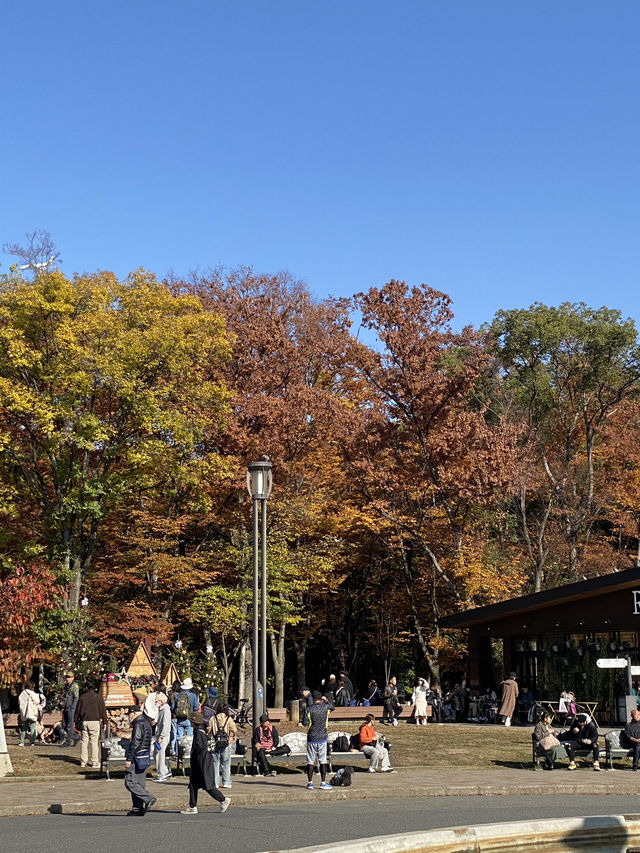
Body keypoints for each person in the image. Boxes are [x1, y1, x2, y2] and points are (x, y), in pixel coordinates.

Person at [180, 711, 230, 814]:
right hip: (203, 761)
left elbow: (199, 747)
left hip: (201, 762)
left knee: (208, 785)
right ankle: (192, 806)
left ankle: (223, 799)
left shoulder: (199, 733)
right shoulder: (202, 730)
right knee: (194, 784)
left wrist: (193, 752)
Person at [124, 706, 156, 816]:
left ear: (133, 713)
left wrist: (129, 758)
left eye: (129, 714)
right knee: (139, 784)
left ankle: (149, 798)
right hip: (144, 756)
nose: (128, 717)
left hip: (136, 756)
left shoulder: (138, 724)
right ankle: (137, 808)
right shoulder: (146, 723)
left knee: (130, 782)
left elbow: (136, 742)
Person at [304, 690, 334, 790]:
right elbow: (332, 707)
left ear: (312, 698)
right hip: (322, 737)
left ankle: (310, 783)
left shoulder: (309, 709)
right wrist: (326, 700)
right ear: (321, 698)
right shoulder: (326, 707)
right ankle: (323, 782)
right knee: (322, 760)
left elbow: (305, 723)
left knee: (310, 760)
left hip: (311, 737)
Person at [74, 679, 107, 769]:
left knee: (84, 742)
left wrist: (76, 721)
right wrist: (105, 722)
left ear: (86, 687)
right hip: (95, 722)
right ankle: (95, 762)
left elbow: (77, 711)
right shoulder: (99, 697)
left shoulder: (82, 697)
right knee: (94, 742)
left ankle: (83, 761)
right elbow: (103, 711)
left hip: (84, 722)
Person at [209, 701, 236, 789]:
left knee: (215, 763)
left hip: (215, 742)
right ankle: (226, 782)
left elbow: (209, 729)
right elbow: (234, 729)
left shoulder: (213, 718)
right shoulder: (228, 719)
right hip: (226, 743)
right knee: (226, 763)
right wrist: (232, 735)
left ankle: (215, 783)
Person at [170, 677, 199, 755]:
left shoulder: (177, 695)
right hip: (189, 719)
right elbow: (196, 708)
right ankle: (188, 753)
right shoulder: (193, 695)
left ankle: (178, 753)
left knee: (179, 736)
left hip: (179, 719)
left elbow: (172, 707)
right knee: (189, 737)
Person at [153, 692, 172, 782]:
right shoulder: (161, 710)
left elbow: (166, 725)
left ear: (161, 701)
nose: (155, 702)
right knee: (156, 753)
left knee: (159, 754)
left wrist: (161, 736)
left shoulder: (166, 711)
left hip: (163, 735)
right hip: (160, 735)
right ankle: (164, 771)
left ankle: (161, 774)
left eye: (156, 701)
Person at [60, 670, 80, 746]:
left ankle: (68, 742)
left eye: (69, 677)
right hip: (65, 707)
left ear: (72, 678)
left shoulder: (75, 686)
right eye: (66, 677)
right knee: (64, 725)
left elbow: (76, 698)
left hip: (70, 708)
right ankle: (76, 737)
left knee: (69, 725)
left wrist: (72, 707)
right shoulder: (66, 686)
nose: (67, 679)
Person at [18, 680, 40, 747]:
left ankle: (21, 742)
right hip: (32, 712)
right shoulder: (32, 693)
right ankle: (32, 742)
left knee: (24, 728)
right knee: (32, 727)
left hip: (24, 713)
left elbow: (20, 702)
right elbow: (37, 701)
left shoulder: (22, 693)